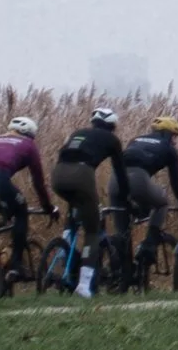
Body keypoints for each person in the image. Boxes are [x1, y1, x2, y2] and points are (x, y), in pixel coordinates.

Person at [51, 106, 126, 297]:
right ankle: (84, 286)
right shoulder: (112, 139)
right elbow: (120, 173)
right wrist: (127, 199)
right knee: (92, 231)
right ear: (112, 126)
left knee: (76, 203)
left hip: (58, 175)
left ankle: (66, 240)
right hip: (82, 175)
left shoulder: (78, 133)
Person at [113, 113, 178, 278]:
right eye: (174, 137)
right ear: (168, 134)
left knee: (122, 233)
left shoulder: (135, 140)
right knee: (162, 203)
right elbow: (176, 184)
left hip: (114, 181)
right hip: (137, 179)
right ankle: (149, 245)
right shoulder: (169, 150)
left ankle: (122, 275)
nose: (175, 141)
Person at [0, 114, 59, 276]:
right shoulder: (28, 145)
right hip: (0, 180)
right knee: (21, 210)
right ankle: (16, 264)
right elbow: (38, 181)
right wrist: (47, 206)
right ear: (31, 134)